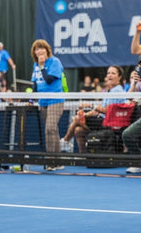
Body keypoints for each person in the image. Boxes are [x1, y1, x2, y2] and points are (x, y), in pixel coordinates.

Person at [61, 65, 128, 153]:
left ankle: (65, 141)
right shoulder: (110, 91)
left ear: (119, 77)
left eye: (113, 73)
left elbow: (107, 111)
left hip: (109, 124)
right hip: (102, 121)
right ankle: (84, 156)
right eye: (108, 73)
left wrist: (91, 105)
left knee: (78, 119)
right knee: (78, 130)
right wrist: (86, 114)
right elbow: (99, 111)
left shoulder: (117, 91)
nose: (110, 75)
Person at [30, 39, 65, 171]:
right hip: (42, 101)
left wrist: (42, 66)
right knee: (53, 130)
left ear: (47, 49)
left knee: (50, 128)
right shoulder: (35, 64)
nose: (39, 51)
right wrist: (31, 100)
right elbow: (35, 83)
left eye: (41, 48)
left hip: (56, 100)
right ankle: (58, 160)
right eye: (36, 49)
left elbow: (49, 80)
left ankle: (50, 161)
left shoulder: (54, 62)